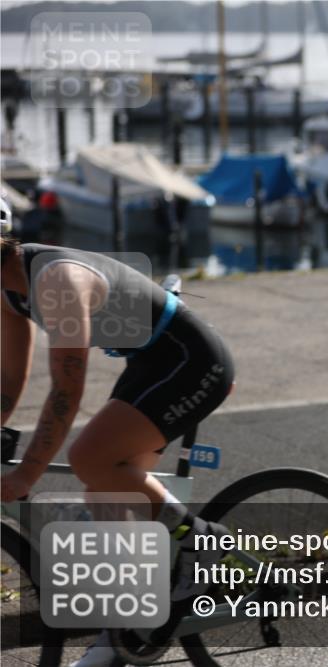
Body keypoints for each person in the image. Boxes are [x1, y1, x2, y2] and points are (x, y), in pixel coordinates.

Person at [0, 226, 235, 666]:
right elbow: (10, 384)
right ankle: (123, 637)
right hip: (152, 364)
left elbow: (66, 394)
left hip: (194, 361)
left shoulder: (56, 282)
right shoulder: (9, 293)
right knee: (109, 494)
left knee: (90, 456)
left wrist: (27, 473)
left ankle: (201, 540)